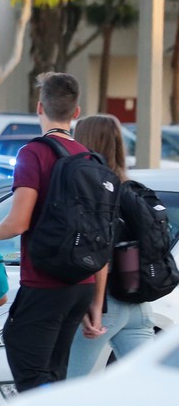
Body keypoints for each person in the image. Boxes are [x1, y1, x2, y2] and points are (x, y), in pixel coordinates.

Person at [0, 72, 103, 392]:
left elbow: (18, 222)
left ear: (39, 108)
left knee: (31, 371)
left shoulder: (34, 153)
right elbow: (100, 232)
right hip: (81, 282)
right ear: (77, 112)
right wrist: (95, 299)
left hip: (44, 281)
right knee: (55, 371)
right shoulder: (89, 157)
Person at [67, 114, 152, 377]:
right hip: (137, 303)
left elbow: (97, 253)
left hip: (105, 303)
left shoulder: (94, 193)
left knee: (67, 385)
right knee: (149, 388)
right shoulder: (131, 189)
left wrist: (93, 304)